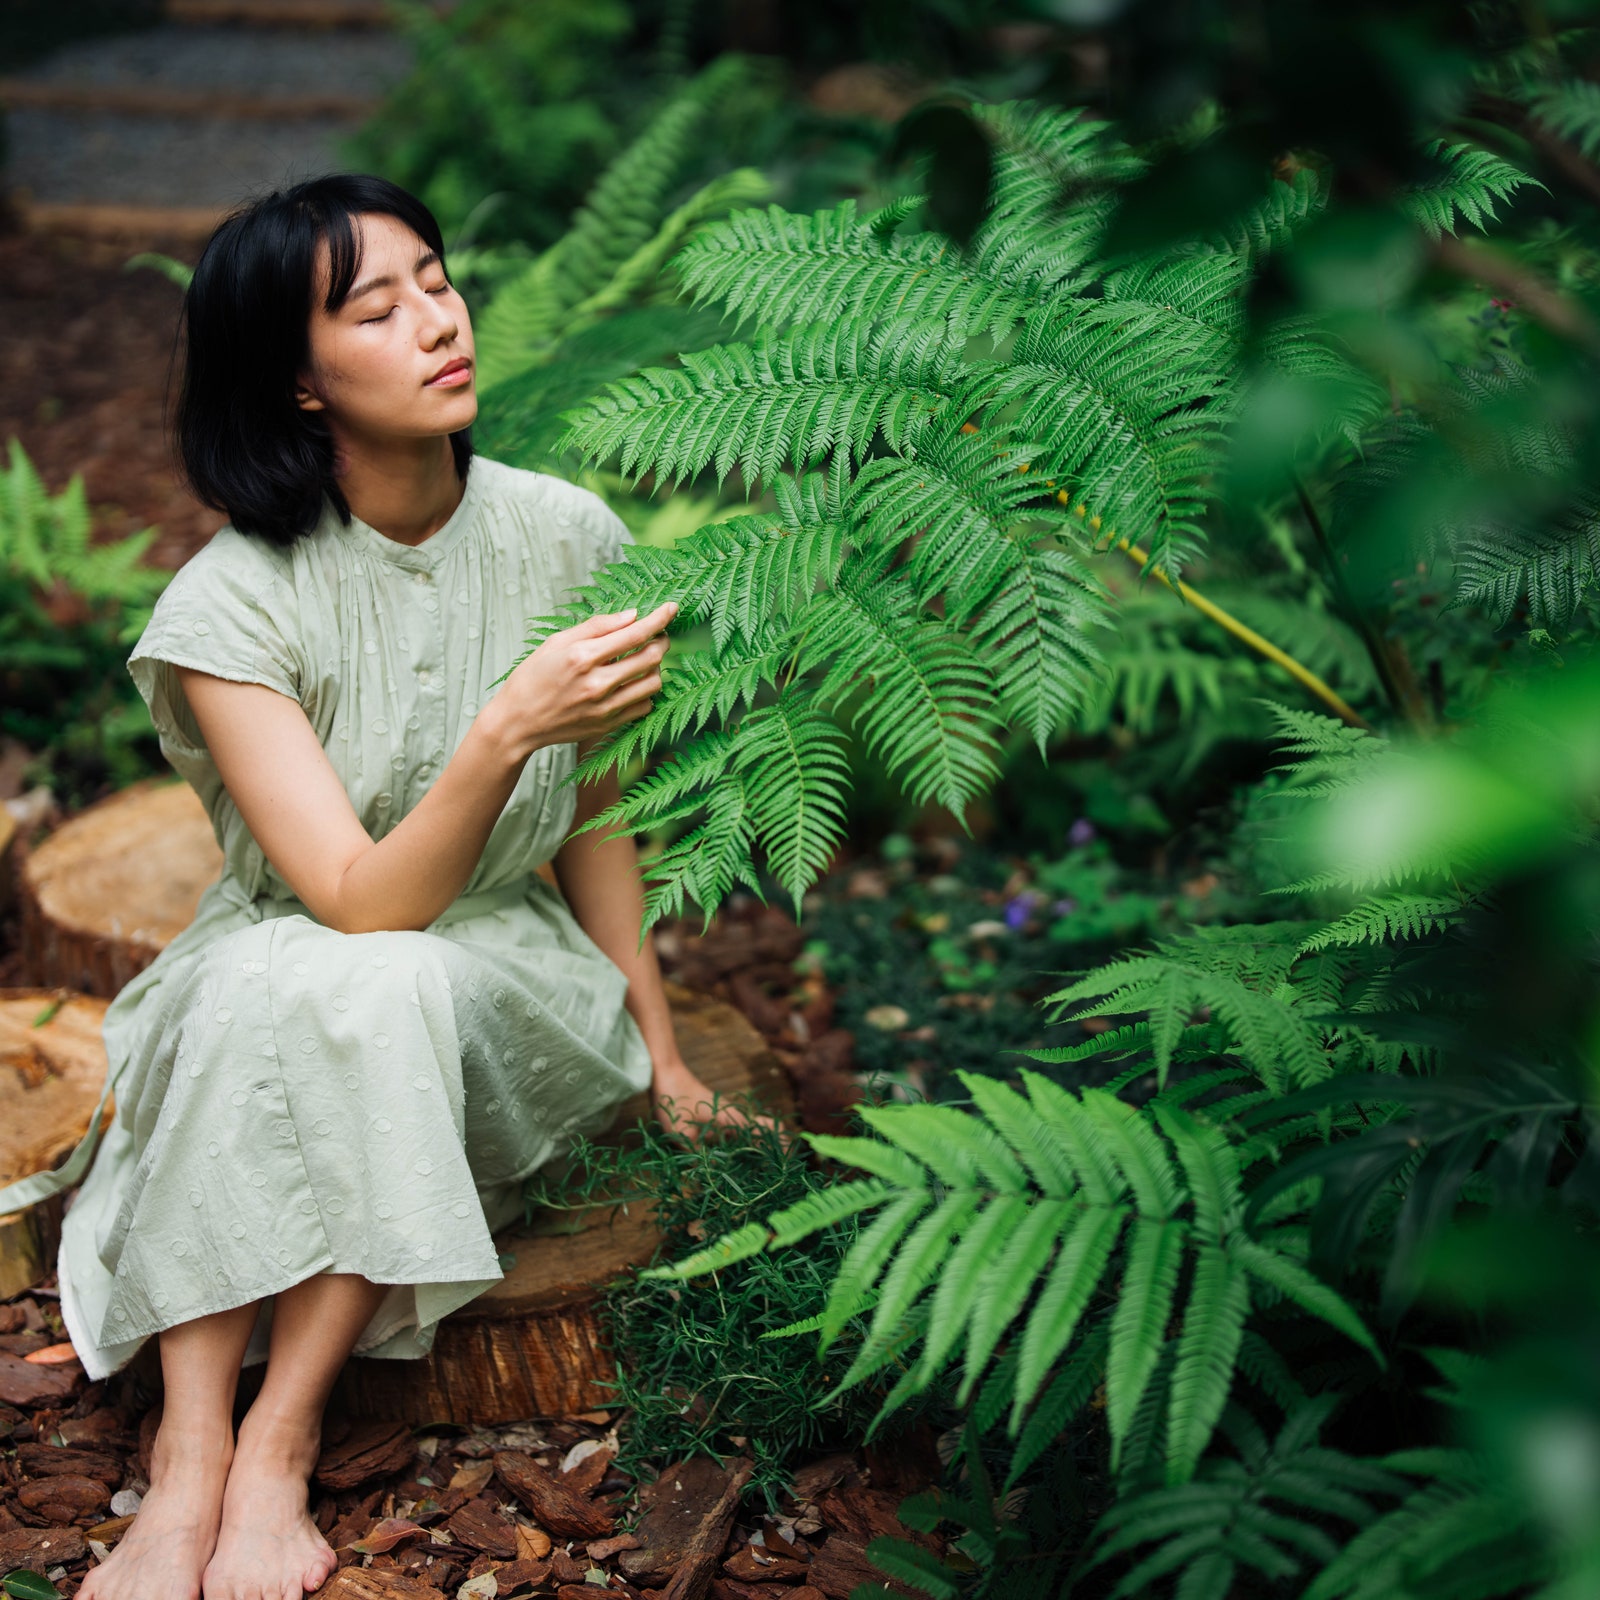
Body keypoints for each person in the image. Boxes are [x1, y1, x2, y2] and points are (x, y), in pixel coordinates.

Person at [0, 174, 748, 1600]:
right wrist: (501, 729)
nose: (438, 322)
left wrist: (662, 1055)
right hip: (291, 942)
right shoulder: (228, 604)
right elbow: (344, 895)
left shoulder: (566, 537)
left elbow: (600, 813)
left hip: (501, 970)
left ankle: (273, 1446)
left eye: (438, 280)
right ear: (294, 380)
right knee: (303, 978)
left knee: (388, 981)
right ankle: (194, 1463)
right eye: (374, 305)